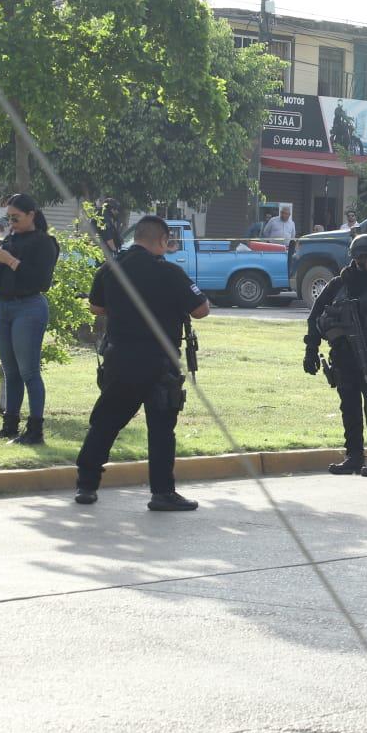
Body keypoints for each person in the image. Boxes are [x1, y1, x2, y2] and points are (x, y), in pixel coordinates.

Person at [73, 215, 211, 511]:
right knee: (161, 429)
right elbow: (201, 310)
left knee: (106, 422)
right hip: (160, 362)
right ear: (161, 241)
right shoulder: (170, 273)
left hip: (121, 359)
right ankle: (162, 493)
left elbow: (96, 306)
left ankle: (86, 485)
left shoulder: (111, 268)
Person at [304, 233, 367, 477]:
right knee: (349, 407)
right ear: (359, 258)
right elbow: (315, 316)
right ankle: (353, 456)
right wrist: (311, 348)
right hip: (343, 357)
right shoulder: (339, 284)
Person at [0, 194, 60, 445]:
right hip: (3, 306)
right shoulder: (12, 239)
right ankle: (9, 426)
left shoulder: (45, 242)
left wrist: (10, 260)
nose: (12, 223)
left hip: (29, 307)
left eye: (16, 218)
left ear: (31, 215)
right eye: (9, 219)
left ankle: (35, 430)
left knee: (29, 372)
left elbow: (40, 281)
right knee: (11, 371)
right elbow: (1, 276)